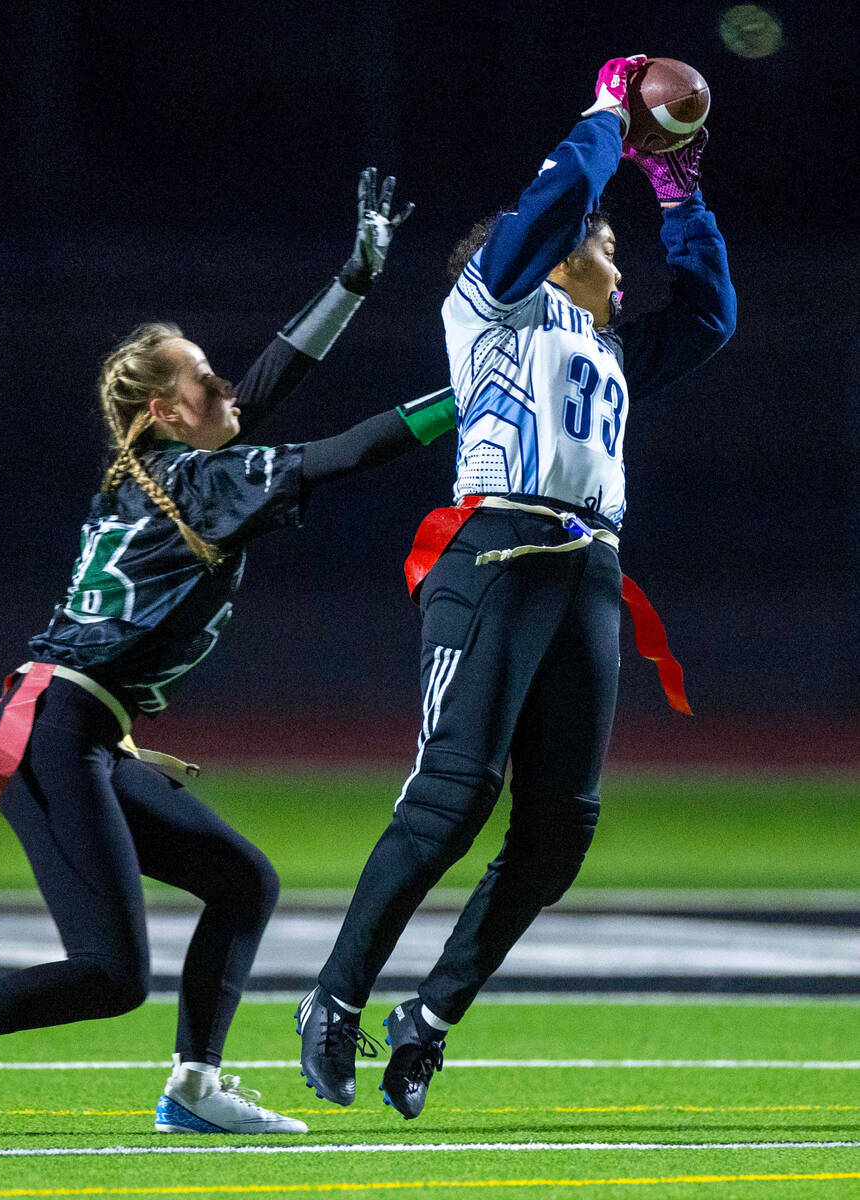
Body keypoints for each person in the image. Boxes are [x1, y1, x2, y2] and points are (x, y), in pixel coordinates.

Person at [0, 170, 457, 1139]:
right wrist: (465, 392)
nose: (221, 382)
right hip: (56, 730)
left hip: (77, 727)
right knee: (110, 973)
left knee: (242, 882)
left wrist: (350, 283)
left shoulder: (155, 478)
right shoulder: (198, 483)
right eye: (198, 374)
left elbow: (257, 388)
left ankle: (192, 1087)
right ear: (161, 414)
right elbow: (342, 451)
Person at [298, 56, 737, 1119]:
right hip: (494, 550)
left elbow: (711, 314)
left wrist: (677, 187)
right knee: (453, 795)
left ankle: (430, 1017)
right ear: (548, 257)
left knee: (558, 829)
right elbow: (553, 203)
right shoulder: (490, 304)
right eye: (603, 239)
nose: (615, 255)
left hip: (588, 569)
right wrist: (603, 115)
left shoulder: (607, 344)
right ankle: (333, 1001)